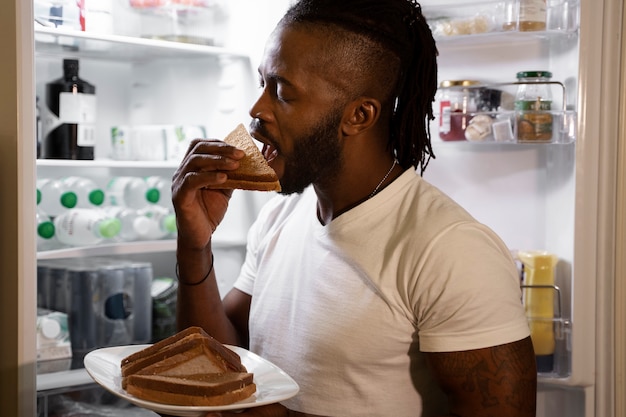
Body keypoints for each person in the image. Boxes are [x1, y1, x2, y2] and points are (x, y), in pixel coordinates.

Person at [171, 0, 537, 416]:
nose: (257, 109)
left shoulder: (451, 249)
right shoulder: (280, 217)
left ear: (359, 116)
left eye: (282, 91)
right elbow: (220, 358)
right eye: (262, 84)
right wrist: (194, 245)